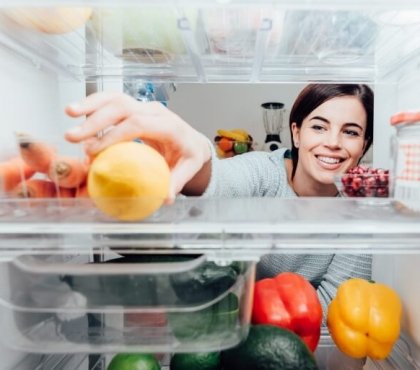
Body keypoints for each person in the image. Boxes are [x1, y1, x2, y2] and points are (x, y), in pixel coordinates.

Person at [65, 83, 373, 318]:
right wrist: (197, 154)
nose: (332, 143)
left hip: (292, 339)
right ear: (296, 132)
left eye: (350, 132)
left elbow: (338, 308)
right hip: (228, 326)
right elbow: (222, 181)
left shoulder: (361, 210)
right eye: (319, 127)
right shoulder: (264, 171)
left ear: (365, 145)